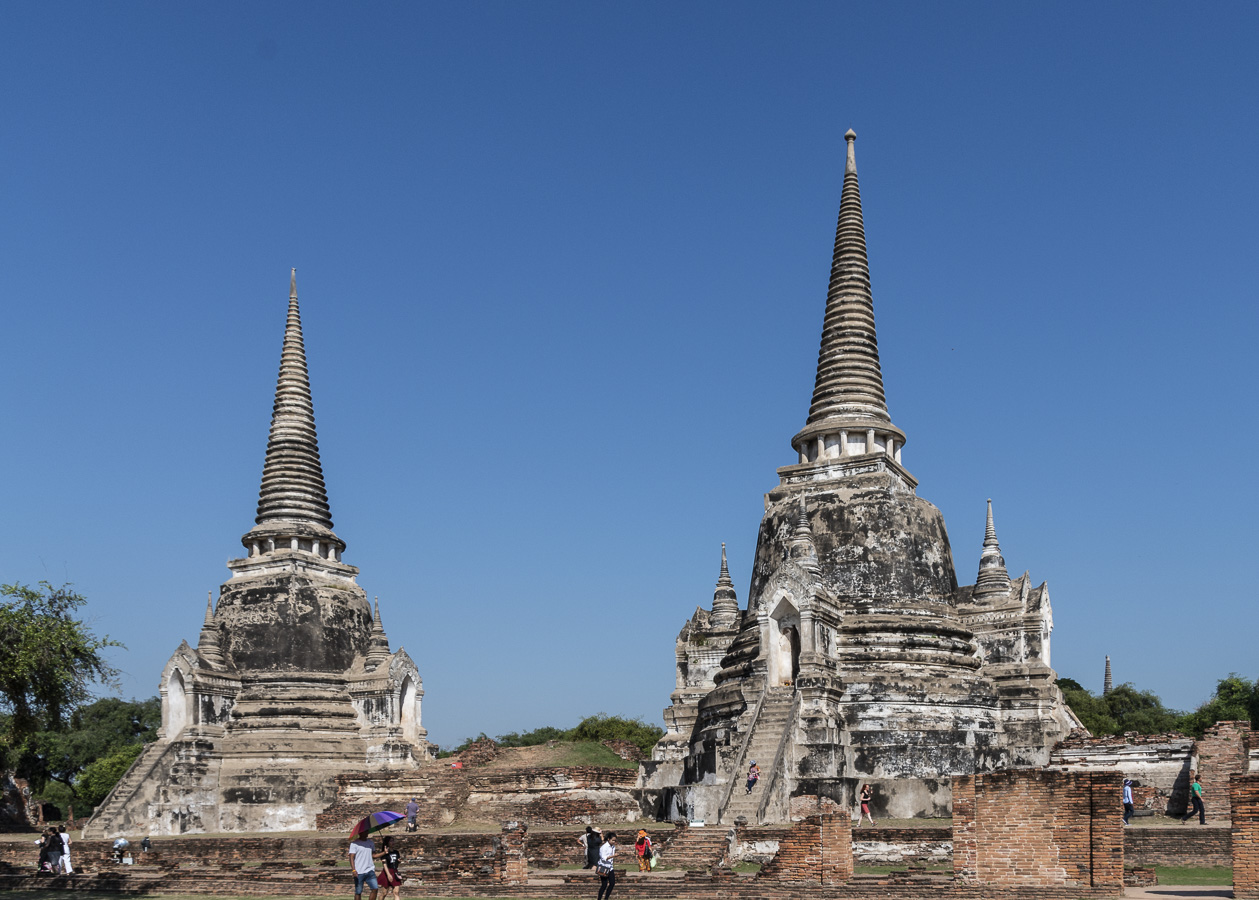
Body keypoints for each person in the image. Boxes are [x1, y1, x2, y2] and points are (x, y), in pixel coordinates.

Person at [349, 833, 379, 900]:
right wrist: (354, 870)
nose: (366, 832)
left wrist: (384, 852)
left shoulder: (370, 842)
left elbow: (374, 855)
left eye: (367, 831)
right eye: (364, 831)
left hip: (370, 870)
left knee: (375, 889)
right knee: (358, 892)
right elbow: (351, 857)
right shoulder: (354, 843)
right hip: (359, 871)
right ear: (360, 833)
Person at [375, 835, 403, 900]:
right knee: (384, 893)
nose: (393, 842)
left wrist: (398, 861)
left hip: (395, 871)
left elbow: (396, 864)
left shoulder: (396, 852)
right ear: (387, 842)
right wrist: (388, 875)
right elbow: (384, 864)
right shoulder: (385, 853)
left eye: (393, 840)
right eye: (391, 841)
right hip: (387, 872)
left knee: (396, 892)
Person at [596, 832, 617, 900]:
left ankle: (606, 898)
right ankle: (599, 898)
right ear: (608, 839)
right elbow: (603, 858)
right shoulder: (604, 847)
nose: (614, 842)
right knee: (604, 884)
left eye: (614, 840)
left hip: (610, 867)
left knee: (612, 883)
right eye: (612, 840)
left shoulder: (613, 847)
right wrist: (613, 856)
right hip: (603, 867)